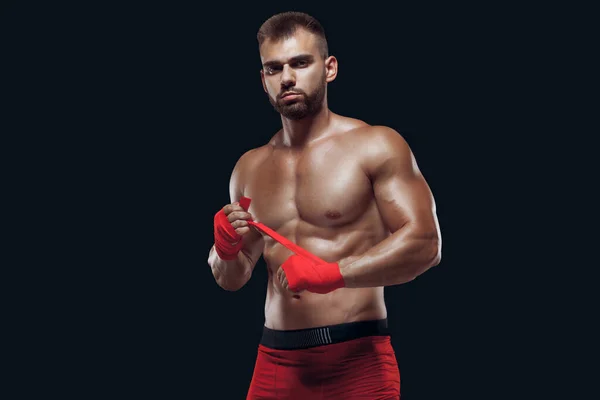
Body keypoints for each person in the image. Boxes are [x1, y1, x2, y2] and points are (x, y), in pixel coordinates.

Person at [207, 11, 442, 400]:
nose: (287, 77)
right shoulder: (248, 168)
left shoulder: (375, 145)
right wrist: (224, 249)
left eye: (300, 63)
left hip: (358, 361)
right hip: (277, 366)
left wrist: (335, 273)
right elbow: (232, 278)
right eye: (273, 68)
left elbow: (426, 244)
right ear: (263, 80)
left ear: (329, 68)